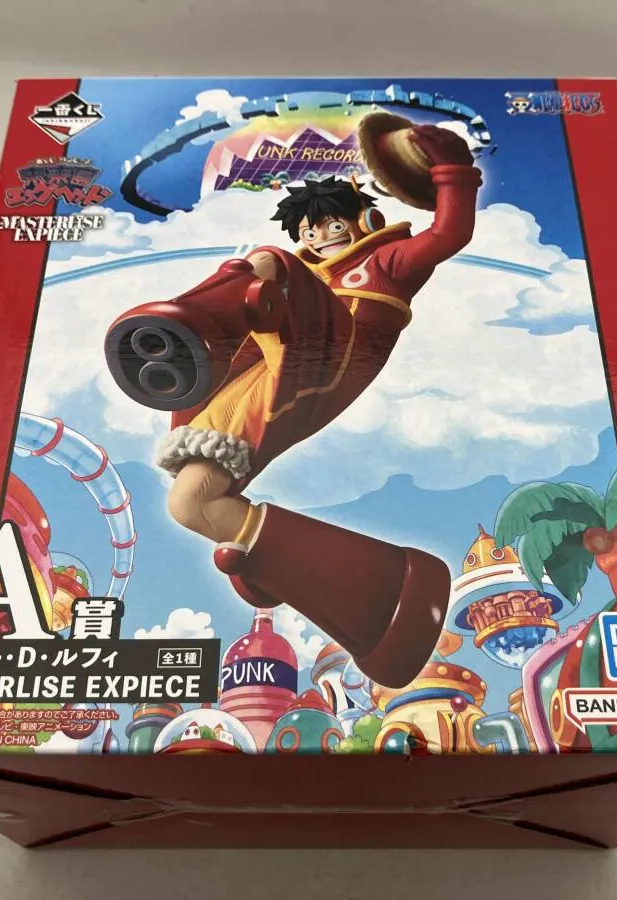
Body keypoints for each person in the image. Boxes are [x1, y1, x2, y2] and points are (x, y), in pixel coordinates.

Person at [105, 114, 481, 687]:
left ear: (365, 221)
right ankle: (358, 592)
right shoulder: (308, 273)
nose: (317, 238)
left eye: (330, 226)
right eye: (308, 231)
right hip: (277, 376)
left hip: (335, 357)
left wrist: (453, 173)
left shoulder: (384, 262)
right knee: (190, 503)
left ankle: (190, 325)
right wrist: (256, 562)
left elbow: (449, 235)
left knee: (267, 263)